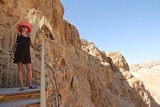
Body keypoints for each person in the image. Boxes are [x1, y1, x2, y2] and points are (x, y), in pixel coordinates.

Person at [11, 22, 36, 91]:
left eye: (26, 27)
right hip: (19, 53)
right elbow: (13, 44)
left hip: (27, 54)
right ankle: (22, 86)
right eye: (23, 27)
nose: (25, 28)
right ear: (21, 28)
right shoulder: (18, 34)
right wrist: (12, 53)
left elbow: (32, 45)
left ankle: (30, 85)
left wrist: (39, 46)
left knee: (29, 69)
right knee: (20, 69)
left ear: (28, 29)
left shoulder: (29, 36)